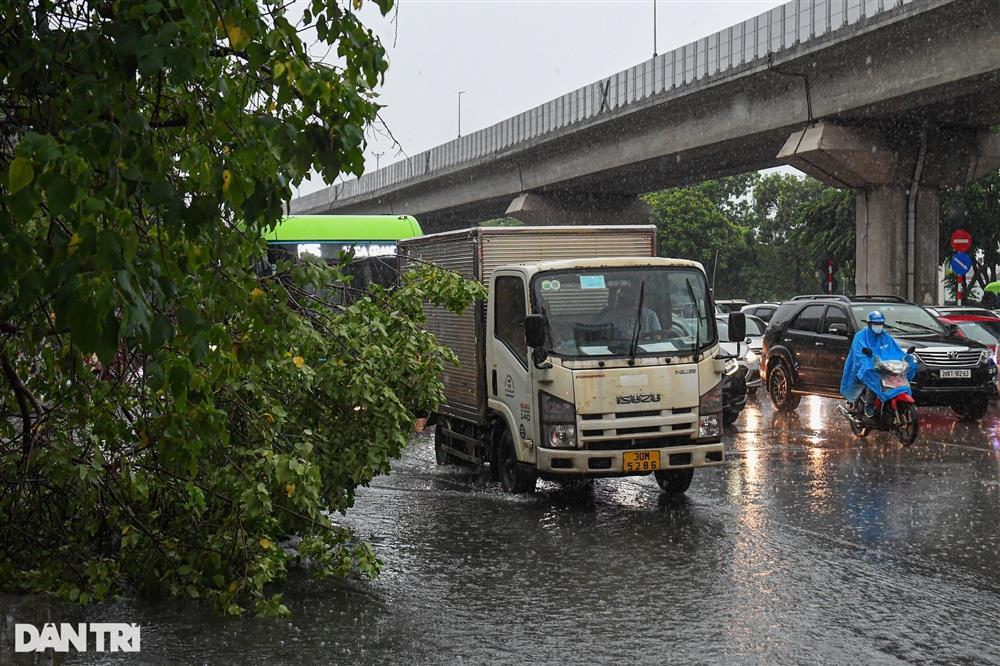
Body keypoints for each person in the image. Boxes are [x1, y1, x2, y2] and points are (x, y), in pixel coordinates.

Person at [839, 310, 913, 418]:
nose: (878, 326)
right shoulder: (860, 336)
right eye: (875, 324)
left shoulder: (885, 336)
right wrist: (869, 360)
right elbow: (859, 353)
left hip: (883, 365)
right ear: (869, 324)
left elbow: (895, 350)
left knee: (896, 377)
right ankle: (869, 406)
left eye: (880, 324)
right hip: (865, 365)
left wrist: (903, 357)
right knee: (873, 379)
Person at [596, 285, 661, 339]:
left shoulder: (650, 316)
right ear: (618, 299)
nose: (628, 300)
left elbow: (657, 341)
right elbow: (598, 338)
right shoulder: (608, 317)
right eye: (624, 297)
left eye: (631, 297)